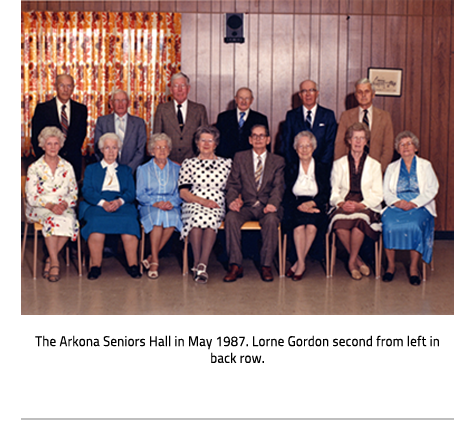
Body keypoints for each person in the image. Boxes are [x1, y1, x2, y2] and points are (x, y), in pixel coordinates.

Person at [224, 124, 286, 283]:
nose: (258, 139)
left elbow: (278, 187)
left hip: (267, 206)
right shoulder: (240, 157)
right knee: (231, 218)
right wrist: (232, 201)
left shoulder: (277, 161)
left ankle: (266, 266)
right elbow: (233, 184)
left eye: (262, 136)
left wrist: (273, 203)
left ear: (268, 139)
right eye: (255, 136)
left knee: (272, 220)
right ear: (250, 140)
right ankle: (235, 265)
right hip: (245, 205)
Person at [80, 133, 142, 281]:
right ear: (101, 149)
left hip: (121, 204)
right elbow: (87, 191)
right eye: (107, 148)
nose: (111, 151)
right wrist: (103, 203)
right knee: (96, 223)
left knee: (129, 221)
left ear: (119, 150)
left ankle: (133, 265)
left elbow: (131, 192)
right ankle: (95, 266)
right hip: (96, 205)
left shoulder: (125, 170)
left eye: (114, 148)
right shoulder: (91, 169)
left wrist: (119, 201)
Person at [382, 131, 439, 286]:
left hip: (420, 205)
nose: (406, 147)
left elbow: (433, 188)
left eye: (409, 143)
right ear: (398, 149)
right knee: (388, 225)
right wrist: (397, 202)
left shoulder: (425, 165)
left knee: (414, 225)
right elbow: (385, 191)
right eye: (402, 144)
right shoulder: (391, 167)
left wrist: (415, 203)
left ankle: (413, 267)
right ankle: (391, 266)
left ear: (415, 147)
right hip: (396, 204)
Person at [329, 122, 383, 280]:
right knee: (339, 224)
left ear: (366, 141)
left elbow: (378, 194)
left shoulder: (374, 165)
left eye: (362, 138)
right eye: (355, 138)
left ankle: (351, 263)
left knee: (359, 222)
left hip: (365, 204)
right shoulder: (338, 164)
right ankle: (358, 261)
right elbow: (334, 191)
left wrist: (361, 205)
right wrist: (341, 203)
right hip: (344, 203)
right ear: (349, 140)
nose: (358, 142)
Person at [178, 126, 233, 284]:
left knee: (210, 221)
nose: (207, 144)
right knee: (196, 218)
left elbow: (233, 187)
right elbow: (184, 192)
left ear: (216, 144)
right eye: (203, 140)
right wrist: (202, 201)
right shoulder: (188, 163)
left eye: (210, 140)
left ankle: (202, 264)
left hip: (216, 202)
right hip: (193, 200)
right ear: (197, 143)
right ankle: (198, 263)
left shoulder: (226, 163)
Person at [25, 127, 79, 283]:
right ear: (42, 146)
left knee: (70, 221)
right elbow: (31, 196)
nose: (53, 147)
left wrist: (63, 204)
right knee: (52, 220)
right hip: (39, 208)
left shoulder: (67, 167)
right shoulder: (34, 168)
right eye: (49, 144)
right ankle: (55, 262)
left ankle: (50, 258)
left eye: (56, 143)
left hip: (62, 206)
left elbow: (73, 193)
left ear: (60, 145)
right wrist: (50, 206)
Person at [284, 131, 330, 281]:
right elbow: (285, 193)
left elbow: (326, 192)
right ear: (295, 148)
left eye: (307, 146)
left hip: (315, 203)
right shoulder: (289, 167)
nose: (304, 149)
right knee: (298, 225)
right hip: (294, 205)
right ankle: (301, 264)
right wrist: (299, 206)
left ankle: (298, 264)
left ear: (313, 148)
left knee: (311, 226)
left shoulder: (322, 167)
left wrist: (312, 203)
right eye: (301, 146)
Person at [136, 134, 183, 280]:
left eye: (164, 147)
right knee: (157, 217)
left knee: (173, 218)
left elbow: (179, 192)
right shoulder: (142, 169)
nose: (161, 150)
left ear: (169, 150)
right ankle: (155, 261)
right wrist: (155, 203)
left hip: (170, 204)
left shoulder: (177, 168)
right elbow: (140, 194)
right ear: (151, 150)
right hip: (150, 204)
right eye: (158, 147)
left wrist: (172, 203)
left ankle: (150, 257)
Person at [32, 74, 88, 182]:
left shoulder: (81, 109)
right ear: (55, 87)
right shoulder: (42, 109)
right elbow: (35, 138)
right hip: (47, 164)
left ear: (73, 88)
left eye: (69, 86)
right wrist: (47, 160)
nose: (65, 90)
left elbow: (81, 135)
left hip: (73, 163)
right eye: (62, 85)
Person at [281, 80, 337, 183]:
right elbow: (287, 144)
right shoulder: (291, 116)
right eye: (304, 91)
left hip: (322, 169)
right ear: (300, 95)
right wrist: (294, 166)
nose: (308, 94)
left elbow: (330, 144)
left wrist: (320, 167)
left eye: (311, 90)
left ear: (317, 93)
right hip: (296, 170)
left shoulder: (328, 115)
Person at [334, 78, 395, 172]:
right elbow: (339, 145)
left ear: (373, 94)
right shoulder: (346, 116)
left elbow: (388, 147)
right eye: (359, 92)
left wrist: (379, 169)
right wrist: (344, 168)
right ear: (355, 95)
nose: (363, 95)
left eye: (367, 91)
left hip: (376, 170)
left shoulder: (384, 117)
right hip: (350, 171)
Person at [153, 72, 209, 165]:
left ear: (188, 89)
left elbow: (204, 138)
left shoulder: (199, 110)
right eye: (176, 86)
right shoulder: (162, 109)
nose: (179, 90)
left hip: (194, 163)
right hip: (168, 163)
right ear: (171, 90)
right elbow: (157, 139)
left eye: (183, 86)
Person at [94, 89, 147, 174]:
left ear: (129, 103)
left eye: (123, 100)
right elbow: (98, 149)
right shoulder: (102, 122)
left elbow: (141, 151)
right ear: (111, 104)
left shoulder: (139, 123)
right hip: (107, 172)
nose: (120, 104)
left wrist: (128, 170)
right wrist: (110, 168)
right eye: (117, 100)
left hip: (131, 173)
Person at [215, 88, 269, 159]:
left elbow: (266, 143)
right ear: (236, 99)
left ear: (252, 100)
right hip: (226, 160)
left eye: (247, 99)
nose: (243, 102)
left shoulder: (260, 119)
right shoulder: (223, 117)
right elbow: (217, 141)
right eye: (241, 98)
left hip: (250, 161)